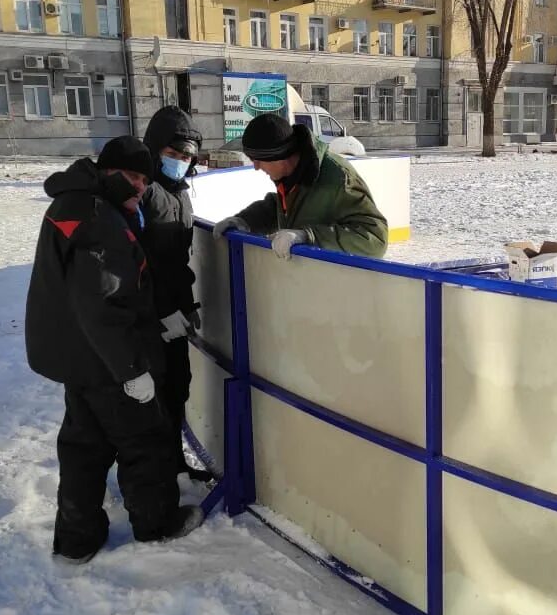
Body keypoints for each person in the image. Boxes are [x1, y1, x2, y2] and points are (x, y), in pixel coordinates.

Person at [25, 136, 203, 564]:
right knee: (144, 440)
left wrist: (155, 323)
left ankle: (76, 539)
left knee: (83, 448)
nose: (141, 187)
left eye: (144, 179)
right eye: (132, 177)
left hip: (79, 358)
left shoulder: (73, 204)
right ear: (107, 172)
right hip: (107, 363)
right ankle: (156, 523)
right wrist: (131, 369)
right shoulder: (99, 218)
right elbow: (102, 302)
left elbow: (89, 295)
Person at [140, 106, 211, 485]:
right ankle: (155, 483)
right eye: (173, 155)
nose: (180, 162)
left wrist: (184, 305)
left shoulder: (179, 192)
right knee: (153, 401)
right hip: (150, 320)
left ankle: (174, 464)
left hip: (174, 314)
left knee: (176, 389)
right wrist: (163, 310)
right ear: (155, 151)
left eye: (186, 157)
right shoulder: (144, 192)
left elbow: (175, 261)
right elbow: (140, 264)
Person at [211, 113, 388, 260]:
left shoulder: (338, 179)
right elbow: (282, 208)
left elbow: (374, 239)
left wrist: (308, 236)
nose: (256, 167)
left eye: (258, 160)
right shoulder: (290, 175)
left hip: (338, 288)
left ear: (280, 156)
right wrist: (246, 220)